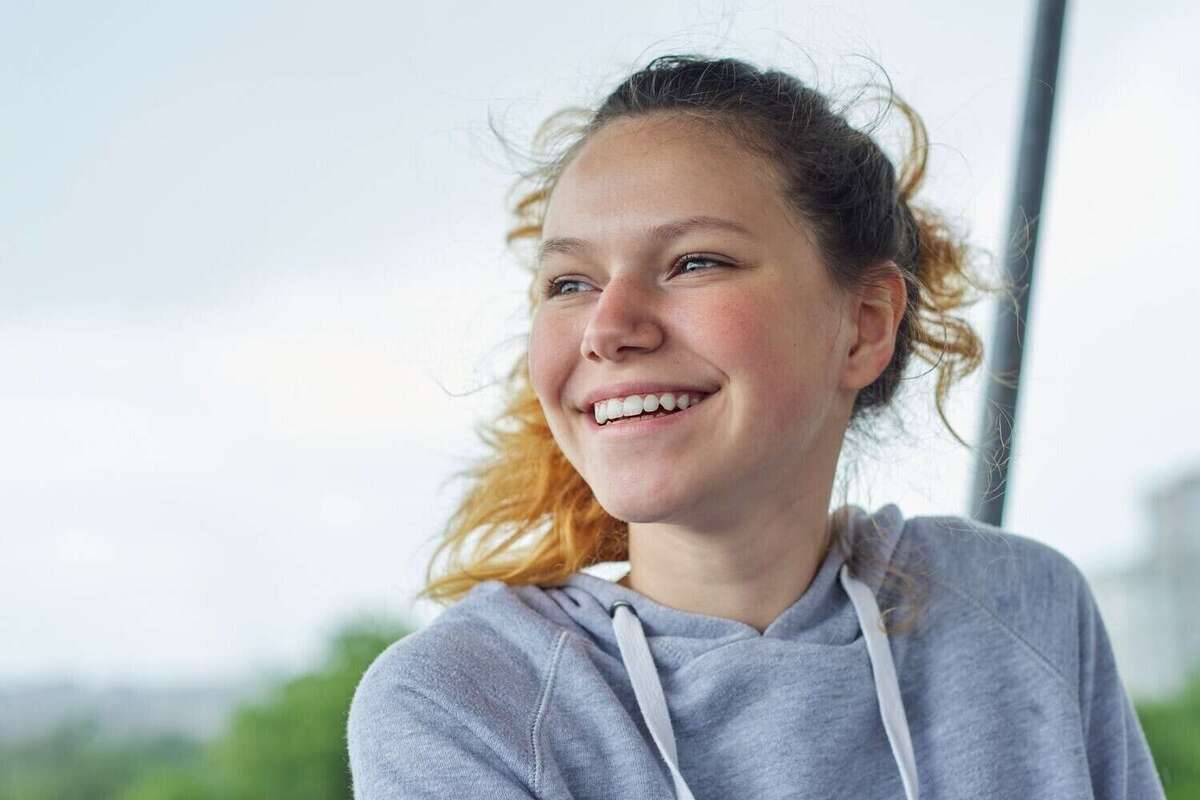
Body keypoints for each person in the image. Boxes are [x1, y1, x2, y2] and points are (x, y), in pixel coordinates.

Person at [346, 54, 1165, 799]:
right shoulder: (465, 704)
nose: (607, 327)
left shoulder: (1022, 606)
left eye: (695, 262)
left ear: (864, 326)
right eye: (569, 283)